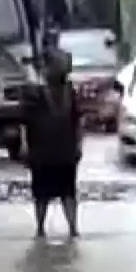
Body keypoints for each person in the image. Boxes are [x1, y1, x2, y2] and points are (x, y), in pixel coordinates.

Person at [24, 52, 83, 238]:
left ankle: (72, 228)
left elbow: (77, 122)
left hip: (64, 150)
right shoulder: (35, 93)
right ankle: (41, 228)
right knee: (43, 194)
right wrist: (25, 146)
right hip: (43, 151)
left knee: (67, 193)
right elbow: (24, 122)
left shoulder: (70, 93)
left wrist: (79, 144)